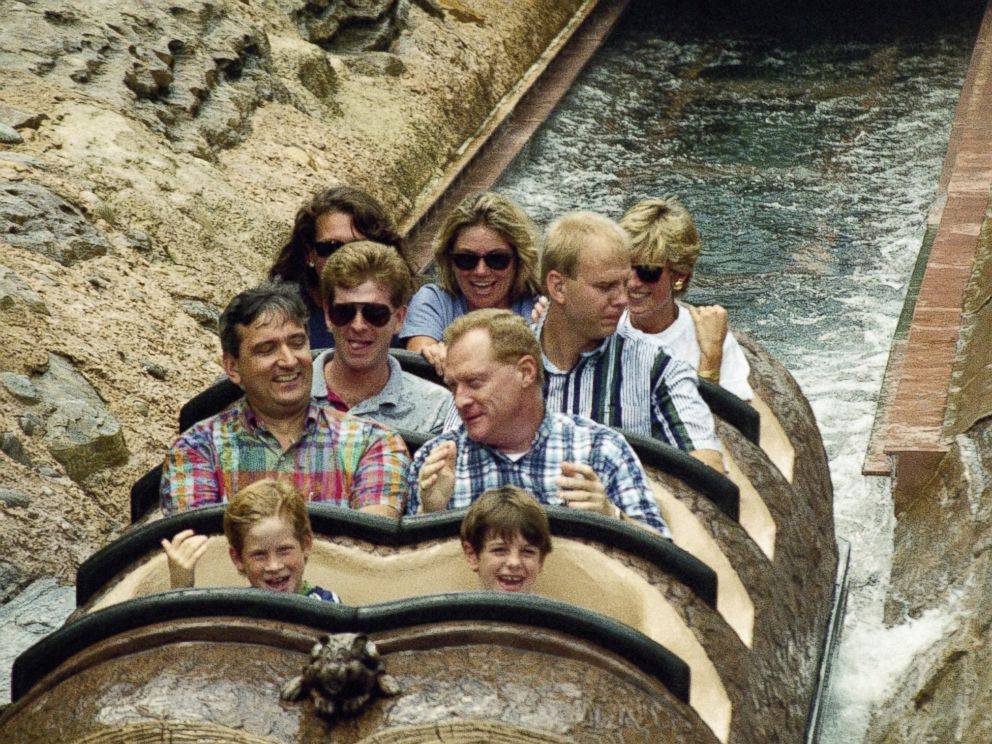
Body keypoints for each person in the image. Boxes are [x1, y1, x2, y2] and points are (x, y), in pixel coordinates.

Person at [160, 279, 410, 517]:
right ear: (233, 367)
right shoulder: (198, 449)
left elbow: (370, 552)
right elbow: (202, 554)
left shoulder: (372, 443)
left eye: (297, 343)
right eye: (267, 349)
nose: (289, 361)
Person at [408, 309, 669, 536]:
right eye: (453, 386)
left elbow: (665, 566)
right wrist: (430, 514)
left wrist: (611, 516)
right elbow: (410, 578)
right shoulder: (435, 463)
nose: (460, 400)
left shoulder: (600, 449)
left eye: (475, 383)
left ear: (526, 372)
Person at [538, 211, 724, 472]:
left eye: (623, 284)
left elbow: (709, 470)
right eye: (605, 287)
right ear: (558, 287)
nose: (623, 299)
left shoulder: (658, 366)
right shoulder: (500, 357)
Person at [618, 197, 753, 400]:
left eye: (647, 271)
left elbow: (728, 426)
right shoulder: (602, 324)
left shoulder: (708, 341)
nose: (632, 283)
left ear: (679, 276)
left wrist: (710, 361)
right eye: (626, 267)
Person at [312, 240, 452, 434]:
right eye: (344, 312)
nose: (358, 325)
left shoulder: (437, 409)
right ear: (328, 316)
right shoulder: (281, 391)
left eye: (375, 314)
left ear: (399, 318)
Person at [400, 191, 542, 373]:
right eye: (467, 259)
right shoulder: (434, 301)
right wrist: (432, 354)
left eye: (496, 260)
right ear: (450, 260)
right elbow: (418, 360)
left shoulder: (539, 307)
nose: (481, 271)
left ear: (519, 260)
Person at [269, 185, 406, 350]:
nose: (345, 257)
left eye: (359, 246)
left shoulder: (403, 302)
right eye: (331, 247)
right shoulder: (276, 311)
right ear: (309, 254)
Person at [161, 479, 340, 602]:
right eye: (259, 555)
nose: (274, 566)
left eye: (284, 550)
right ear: (238, 559)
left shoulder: (327, 605)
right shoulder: (236, 612)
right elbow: (189, 645)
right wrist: (181, 586)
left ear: (306, 544)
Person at [460, 485, 552, 594]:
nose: (514, 562)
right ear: (472, 555)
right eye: (500, 550)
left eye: (528, 552)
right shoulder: (452, 611)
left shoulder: (559, 611)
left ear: (541, 560)